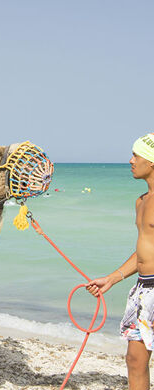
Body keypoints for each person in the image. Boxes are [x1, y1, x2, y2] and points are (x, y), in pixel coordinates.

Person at [87, 133, 154, 390]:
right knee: (135, 360)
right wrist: (112, 278)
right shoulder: (141, 202)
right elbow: (144, 251)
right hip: (143, 289)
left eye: (136, 155)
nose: (130, 160)